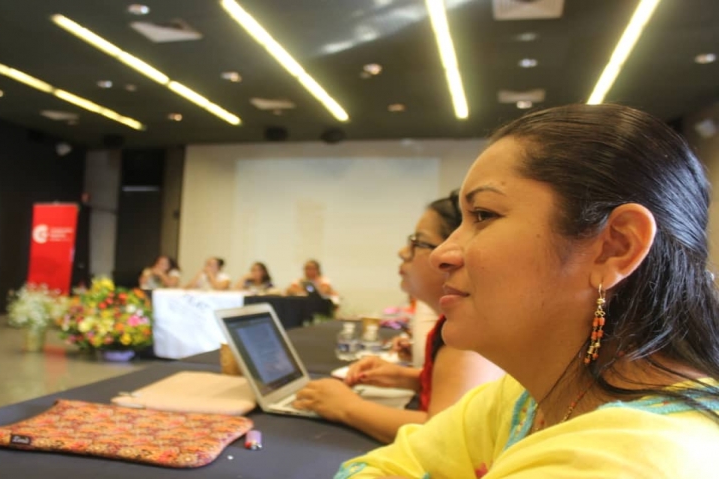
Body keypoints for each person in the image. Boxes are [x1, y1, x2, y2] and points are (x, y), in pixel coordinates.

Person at [334, 104, 719, 478]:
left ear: (615, 246)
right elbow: (372, 468)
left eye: (483, 215)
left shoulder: (627, 460)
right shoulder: (524, 398)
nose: (442, 254)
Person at [292, 194, 503, 443]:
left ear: (450, 258)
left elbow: (445, 436)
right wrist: (409, 378)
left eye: (417, 243)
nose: (403, 253)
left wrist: (346, 407)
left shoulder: (465, 338)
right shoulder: (454, 325)